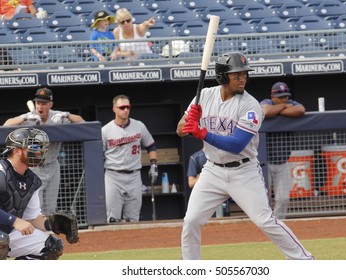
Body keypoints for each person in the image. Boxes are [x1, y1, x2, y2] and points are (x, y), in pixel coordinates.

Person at [176, 52, 314, 260]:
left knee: (264, 220)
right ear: (223, 77)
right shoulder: (204, 95)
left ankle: (305, 261)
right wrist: (188, 124)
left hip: (243, 171)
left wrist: (201, 132)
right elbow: (179, 128)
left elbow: (237, 144)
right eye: (236, 75)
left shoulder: (251, 105)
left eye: (244, 75)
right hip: (212, 170)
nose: (243, 79)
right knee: (192, 220)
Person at [3, 87, 85, 215]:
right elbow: (7, 124)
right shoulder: (30, 117)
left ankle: (47, 233)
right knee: (37, 208)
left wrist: (66, 115)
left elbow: (82, 122)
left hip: (52, 166)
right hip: (34, 168)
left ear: (50, 105)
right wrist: (26, 118)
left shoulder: (57, 116)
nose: (40, 106)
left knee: (50, 208)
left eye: (44, 103)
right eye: (38, 103)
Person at [0, 128, 64, 260]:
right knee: (1, 240)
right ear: (17, 151)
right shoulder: (1, 171)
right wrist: (14, 220)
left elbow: (32, 218)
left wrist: (53, 224)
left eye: (39, 147)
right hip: (4, 234)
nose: (39, 151)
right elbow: (19, 222)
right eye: (33, 146)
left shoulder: (33, 181)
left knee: (53, 246)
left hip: (7, 231)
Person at [102, 94, 158, 223]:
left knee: (133, 218)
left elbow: (151, 146)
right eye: (122, 107)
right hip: (113, 176)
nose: (125, 110)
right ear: (114, 109)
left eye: (128, 107)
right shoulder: (105, 130)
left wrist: (154, 165)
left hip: (134, 176)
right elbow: (98, 155)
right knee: (112, 218)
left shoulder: (139, 126)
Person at [259, 82, 305, 219]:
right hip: (264, 162)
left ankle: (278, 223)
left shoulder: (292, 102)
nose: (283, 99)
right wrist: (284, 107)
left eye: (285, 97)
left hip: (283, 162)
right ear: (272, 96)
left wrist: (279, 110)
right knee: (262, 198)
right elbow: (266, 111)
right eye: (280, 97)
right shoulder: (267, 102)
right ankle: (264, 222)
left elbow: (301, 110)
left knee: (283, 198)